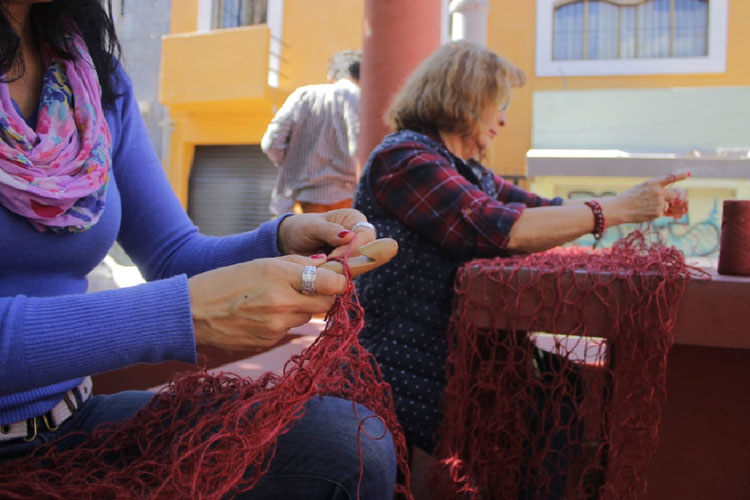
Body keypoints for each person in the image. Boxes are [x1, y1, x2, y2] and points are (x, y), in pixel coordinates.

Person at [0, 1, 395, 498]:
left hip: (70, 422)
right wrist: (182, 314)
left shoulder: (90, 73)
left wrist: (281, 239)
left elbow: (173, 251)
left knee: (349, 445)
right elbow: (182, 300)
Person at [353, 41, 688, 496]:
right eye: (500, 105)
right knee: (545, 413)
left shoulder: (471, 172)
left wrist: (630, 199)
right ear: (466, 97)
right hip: (398, 365)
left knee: (563, 393)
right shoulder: (404, 159)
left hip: (455, 359)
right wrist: (621, 209)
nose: (505, 119)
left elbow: (545, 209)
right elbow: (496, 228)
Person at [262, 49, 362, 215]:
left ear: (331, 77)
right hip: (349, 204)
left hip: (301, 203)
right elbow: (363, 152)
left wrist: (294, 165)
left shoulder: (302, 95)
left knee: (303, 241)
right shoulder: (363, 99)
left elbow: (271, 143)